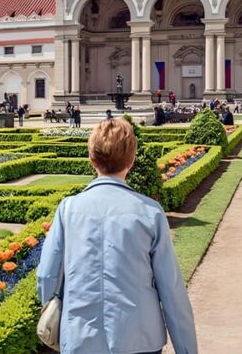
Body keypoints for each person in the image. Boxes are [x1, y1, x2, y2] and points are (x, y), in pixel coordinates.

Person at [38, 119, 197, 353]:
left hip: (81, 338)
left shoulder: (68, 209)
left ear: (91, 159)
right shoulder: (149, 212)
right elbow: (172, 291)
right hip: (139, 339)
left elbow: (46, 276)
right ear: (131, 161)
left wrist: (56, 314)